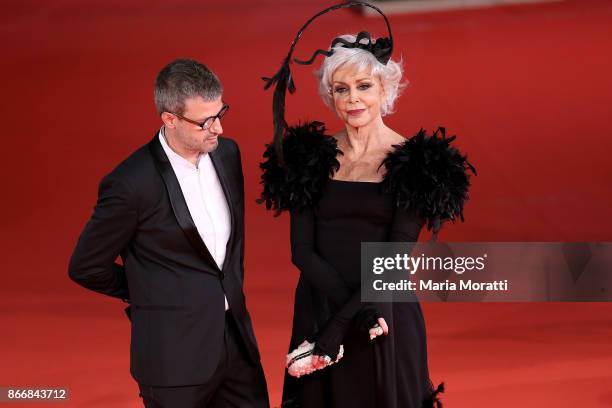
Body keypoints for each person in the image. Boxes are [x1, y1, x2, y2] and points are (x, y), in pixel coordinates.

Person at [259, 3, 475, 407]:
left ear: (385, 90)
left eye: (364, 86)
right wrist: (341, 317)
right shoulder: (308, 156)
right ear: (330, 96)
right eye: (341, 89)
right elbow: (301, 250)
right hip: (320, 305)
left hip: (382, 311)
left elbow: (395, 255)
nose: (352, 99)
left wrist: (345, 322)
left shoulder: (416, 161)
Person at [69, 58, 269, 408]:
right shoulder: (131, 183)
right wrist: (152, 290)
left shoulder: (227, 154)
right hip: (173, 360)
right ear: (169, 119)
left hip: (237, 346)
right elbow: (85, 265)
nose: (218, 129)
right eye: (205, 121)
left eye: (221, 113)